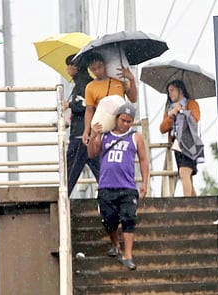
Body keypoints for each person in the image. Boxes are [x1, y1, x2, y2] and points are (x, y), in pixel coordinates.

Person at [87, 104, 149, 270]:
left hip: (127, 186)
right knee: (108, 219)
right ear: (116, 118)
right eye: (123, 120)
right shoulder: (106, 135)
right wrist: (94, 136)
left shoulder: (136, 137)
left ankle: (128, 254)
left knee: (129, 218)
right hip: (107, 185)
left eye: (129, 121)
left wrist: (144, 183)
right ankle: (115, 244)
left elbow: (143, 159)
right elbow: (92, 153)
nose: (125, 124)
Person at [82, 52, 138, 146]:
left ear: (105, 65)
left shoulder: (119, 80)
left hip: (120, 124)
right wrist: (86, 131)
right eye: (94, 69)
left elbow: (133, 98)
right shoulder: (90, 87)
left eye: (99, 67)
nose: (97, 71)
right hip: (103, 125)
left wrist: (131, 80)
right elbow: (89, 111)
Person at [63, 54, 100, 196]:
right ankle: (110, 193)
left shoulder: (83, 83)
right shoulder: (84, 83)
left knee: (70, 172)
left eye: (69, 65)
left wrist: (69, 104)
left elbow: (86, 106)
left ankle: (63, 198)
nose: (67, 69)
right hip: (90, 134)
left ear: (76, 67)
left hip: (80, 135)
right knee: (100, 169)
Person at [159, 80, 200, 196]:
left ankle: (187, 202)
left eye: (172, 90)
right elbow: (163, 128)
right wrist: (171, 115)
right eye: (168, 92)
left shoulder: (191, 104)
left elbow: (195, 119)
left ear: (180, 90)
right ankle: (195, 203)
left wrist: (180, 111)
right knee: (187, 177)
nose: (170, 94)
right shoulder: (169, 108)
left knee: (184, 172)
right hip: (176, 143)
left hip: (188, 142)